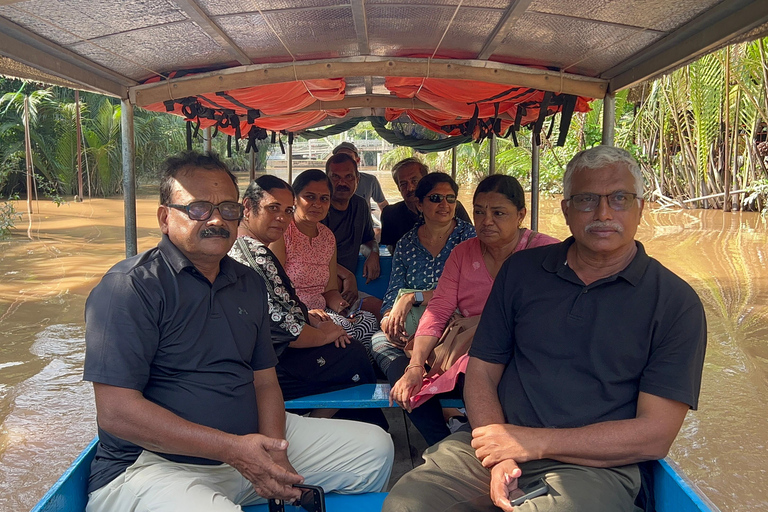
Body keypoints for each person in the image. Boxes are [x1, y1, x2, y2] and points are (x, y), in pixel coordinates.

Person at [383, 145, 707, 512]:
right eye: (586, 200)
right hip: (496, 442)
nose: (603, 213)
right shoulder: (522, 273)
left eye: (619, 198)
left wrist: (533, 443)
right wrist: (499, 452)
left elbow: (654, 436)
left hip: (593, 467)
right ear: (566, 209)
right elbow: (482, 372)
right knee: (407, 504)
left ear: (640, 208)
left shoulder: (675, 303)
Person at [82, 151, 393, 512]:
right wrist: (233, 450)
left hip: (249, 446)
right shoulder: (130, 288)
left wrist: (273, 450)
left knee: (375, 450)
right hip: (155, 465)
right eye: (198, 208)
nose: (216, 219)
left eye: (228, 208)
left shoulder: (246, 282)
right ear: (165, 217)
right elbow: (117, 413)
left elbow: (264, 381)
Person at [388, 173, 559, 445]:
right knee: (402, 372)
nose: (486, 221)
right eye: (479, 212)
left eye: (498, 213)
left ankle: (497, 439)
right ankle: (458, 439)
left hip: (526, 351)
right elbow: (439, 309)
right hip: (471, 350)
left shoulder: (548, 252)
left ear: (521, 215)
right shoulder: (463, 253)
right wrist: (416, 365)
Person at [228, 175, 377, 401]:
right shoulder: (257, 254)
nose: (282, 217)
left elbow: (287, 303)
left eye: (287, 211)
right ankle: (325, 420)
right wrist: (321, 334)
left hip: (292, 328)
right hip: (265, 360)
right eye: (273, 208)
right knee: (353, 353)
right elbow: (287, 328)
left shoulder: (324, 237)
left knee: (362, 327)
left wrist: (336, 312)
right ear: (247, 207)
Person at [370, 172, 476, 446]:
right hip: (413, 326)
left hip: (455, 323)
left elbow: (467, 289)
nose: (445, 204)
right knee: (380, 342)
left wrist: (416, 297)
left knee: (425, 358)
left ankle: (448, 430)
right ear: (420, 204)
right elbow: (394, 291)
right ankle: (441, 437)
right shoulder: (407, 243)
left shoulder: (469, 239)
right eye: (436, 198)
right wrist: (388, 318)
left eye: (450, 198)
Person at [277, 169, 379, 351]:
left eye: (324, 198)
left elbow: (330, 290)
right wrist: (306, 315)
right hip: (293, 315)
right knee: (346, 335)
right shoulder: (283, 233)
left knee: (367, 322)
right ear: (294, 199)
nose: (317, 204)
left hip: (324, 313)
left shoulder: (327, 237)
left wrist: (342, 309)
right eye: (310, 197)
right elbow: (275, 291)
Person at [322, 152, 383, 315]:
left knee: (383, 311)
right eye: (335, 177)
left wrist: (373, 253)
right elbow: (315, 257)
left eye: (349, 177)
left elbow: (368, 239)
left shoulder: (360, 205)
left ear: (358, 180)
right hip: (322, 288)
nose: (342, 183)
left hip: (347, 291)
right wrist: (348, 276)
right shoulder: (319, 209)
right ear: (326, 180)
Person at [380, 158, 471, 249]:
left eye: (414, 181)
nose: (410, 188)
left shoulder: (450, 207)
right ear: (398, 188)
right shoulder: (390, 214)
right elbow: (390, 249)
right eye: (403, 184)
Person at [333, 141, 389, 213]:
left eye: (349, 157)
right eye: (340, 157)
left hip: (364, 223)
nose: (344, 161)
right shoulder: (326, 182)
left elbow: (382, 204)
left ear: (357, 160)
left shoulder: (370, 180)